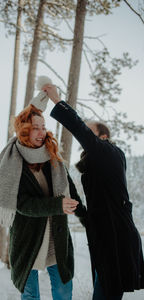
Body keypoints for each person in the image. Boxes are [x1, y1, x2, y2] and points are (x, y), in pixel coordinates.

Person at [0, 104, 87, 300]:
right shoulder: (13, 163)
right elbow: (22, 204)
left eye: (43, 127)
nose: (42, 132)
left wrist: (87, 218)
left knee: (63, 292)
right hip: (28, 240)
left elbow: (72, 193)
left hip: (56, 238)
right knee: (31, 295)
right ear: (24, 130)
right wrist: (56, 205)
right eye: (35, 127)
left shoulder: (53, 157)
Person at [42, 84, 144, 300]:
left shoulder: (109, 152)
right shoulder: (101, 160)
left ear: (103, 136)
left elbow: (78, 127)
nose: (85, 138)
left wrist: (56, 100)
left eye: (91, 132)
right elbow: (96, 205)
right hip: (105, 235)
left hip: (116, 237)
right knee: (104, 288)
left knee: (107, 291)